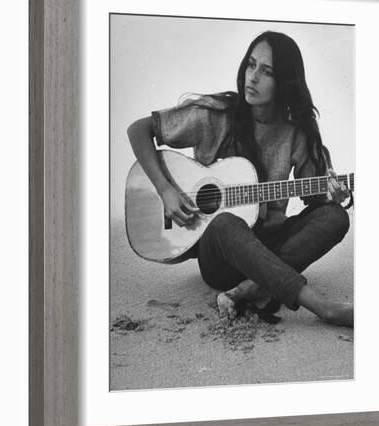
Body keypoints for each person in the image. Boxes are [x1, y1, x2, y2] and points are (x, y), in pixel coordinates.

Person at [127, 31, 353, 328]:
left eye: (267, 71)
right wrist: (166, 190)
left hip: (270, 248)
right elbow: (139, 129)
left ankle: (248, 289)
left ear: (285, 81)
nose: (253, 77)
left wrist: (332, 195)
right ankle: (323, 308)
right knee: (225, 222)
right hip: (220, 259)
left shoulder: (297, 133)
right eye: (251, 64)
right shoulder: (216, 115)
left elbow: (316, 200)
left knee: (335, 217)